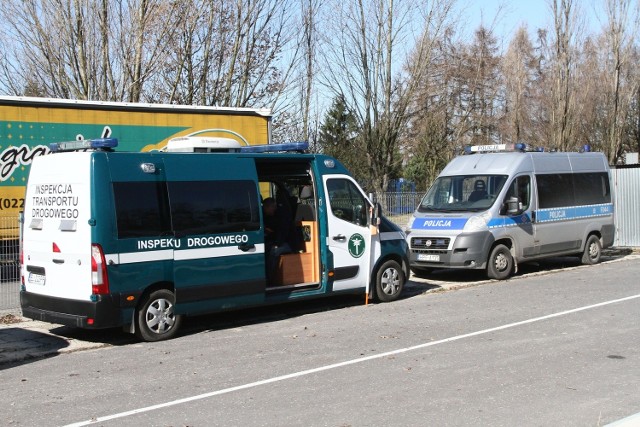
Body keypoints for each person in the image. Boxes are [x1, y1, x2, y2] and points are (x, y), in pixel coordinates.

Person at [263, 197, 292, 283]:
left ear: (271, 207)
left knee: (274, 251)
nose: (264, 211)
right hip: (276, 241)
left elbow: (283, 233)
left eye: (265, 209)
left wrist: (276, 243)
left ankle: (270, 278)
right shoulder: (269, 216)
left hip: (288, 243)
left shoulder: (283, 217)